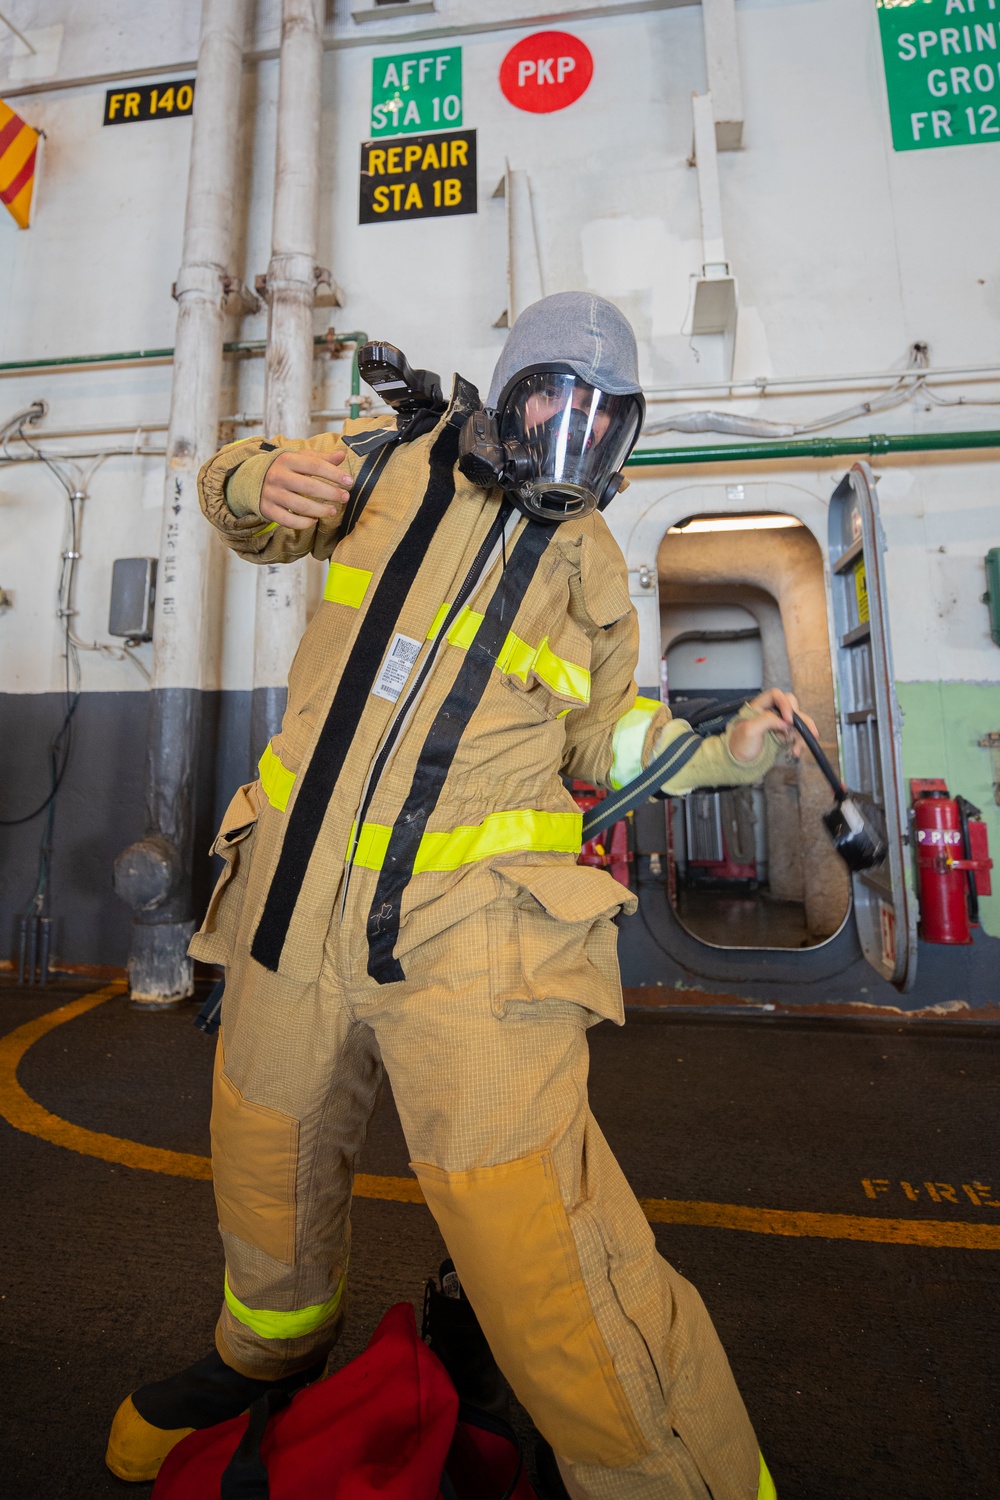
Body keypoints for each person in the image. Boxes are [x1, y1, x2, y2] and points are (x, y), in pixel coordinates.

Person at [106, 292, 806, 1497]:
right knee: (265, 1155)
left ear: (624, 434)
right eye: (551, 400)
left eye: (603, 420)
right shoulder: (385, 460)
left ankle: (665, 1475)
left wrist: (720, 751)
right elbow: (245, 498)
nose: (571, 435)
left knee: (532, 1227)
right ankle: (265, 1362)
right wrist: (255, 479)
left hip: (474, 930)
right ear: (509, 392)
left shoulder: (592, 569)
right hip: (290, 904)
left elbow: (600, 741)